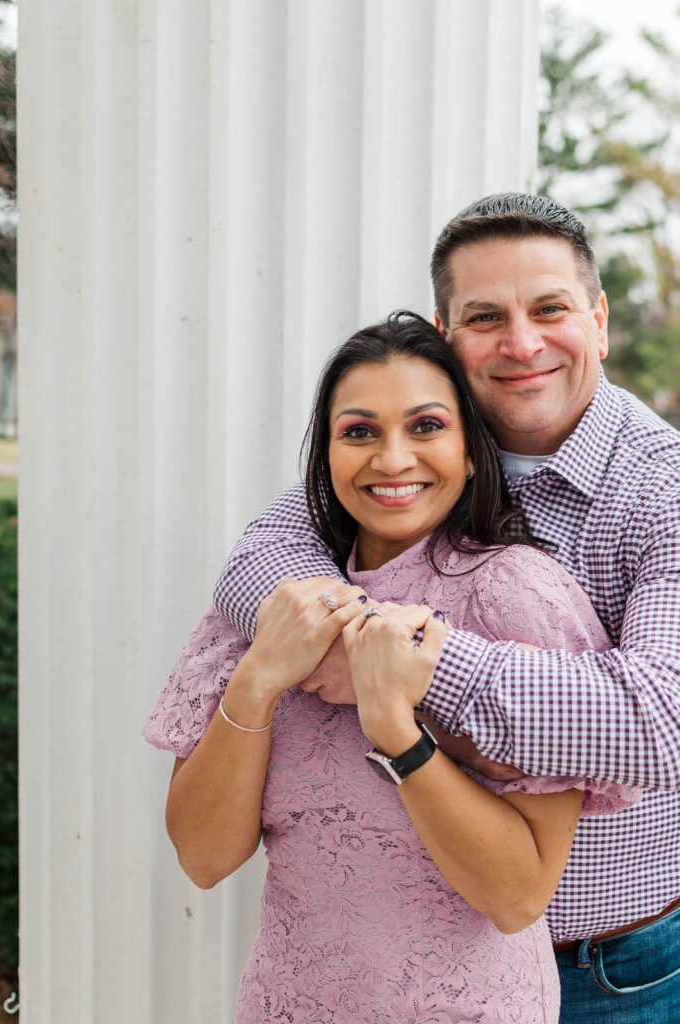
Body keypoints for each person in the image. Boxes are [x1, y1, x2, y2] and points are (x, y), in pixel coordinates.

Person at [213, 194, 680, 1023]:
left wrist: (409, 669)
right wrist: (355, 645)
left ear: (598, 320)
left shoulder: (661, 487)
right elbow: (258, 563)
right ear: (446, 334)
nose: (521, 342)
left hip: (611, 970)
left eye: (549, 309)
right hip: (412, 975)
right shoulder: (419, 453)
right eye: (484, 317)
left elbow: (656, 722)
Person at [144, 314, 636, 1022]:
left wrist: (397, 733)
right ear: (327, 456)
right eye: (359, 431)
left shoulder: (519, 595)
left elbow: (518, 896)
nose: (392, 458)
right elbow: (203, 857)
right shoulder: (279, 599)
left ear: (472, 452)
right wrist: (258, 677)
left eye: (426, 425)